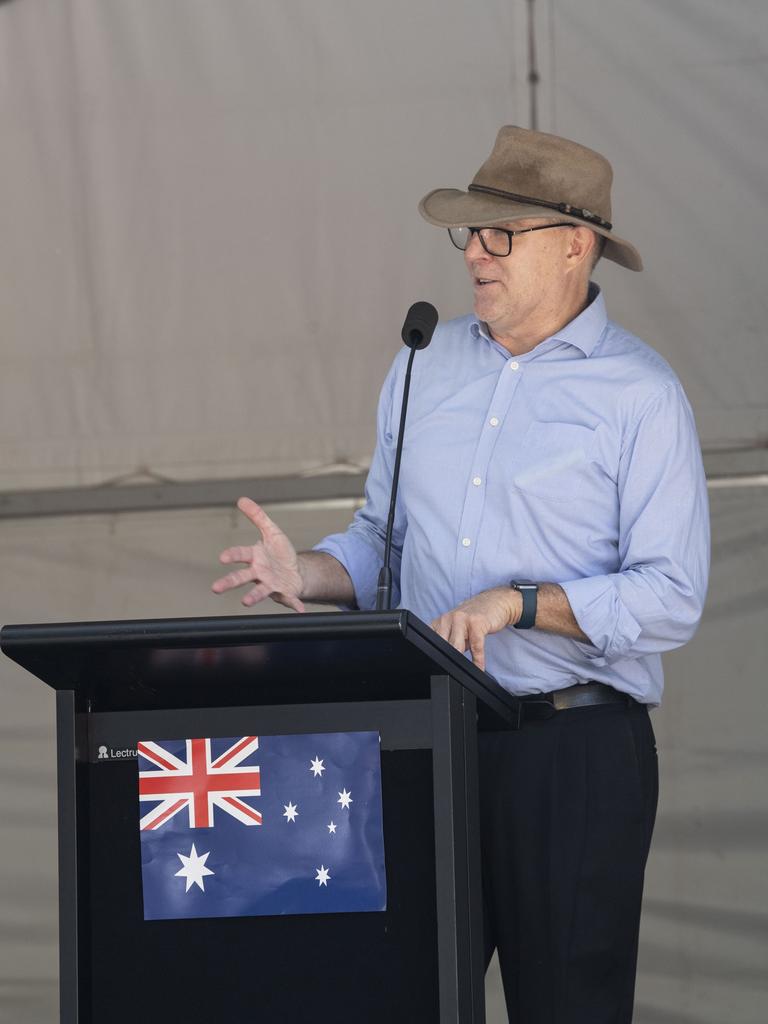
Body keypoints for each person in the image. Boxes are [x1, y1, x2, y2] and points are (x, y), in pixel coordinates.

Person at [212, 126, 710, 1023]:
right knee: (409, 997)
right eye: (469, 233)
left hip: (574, 753)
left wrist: (518, 605)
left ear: (574, 244)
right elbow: (381, 536)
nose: (475, 252)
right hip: (429, 737)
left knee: (568, 1006)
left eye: (499, 233)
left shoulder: (641, 395)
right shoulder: (422, 364)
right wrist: (313, 572)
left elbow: (671, 596)